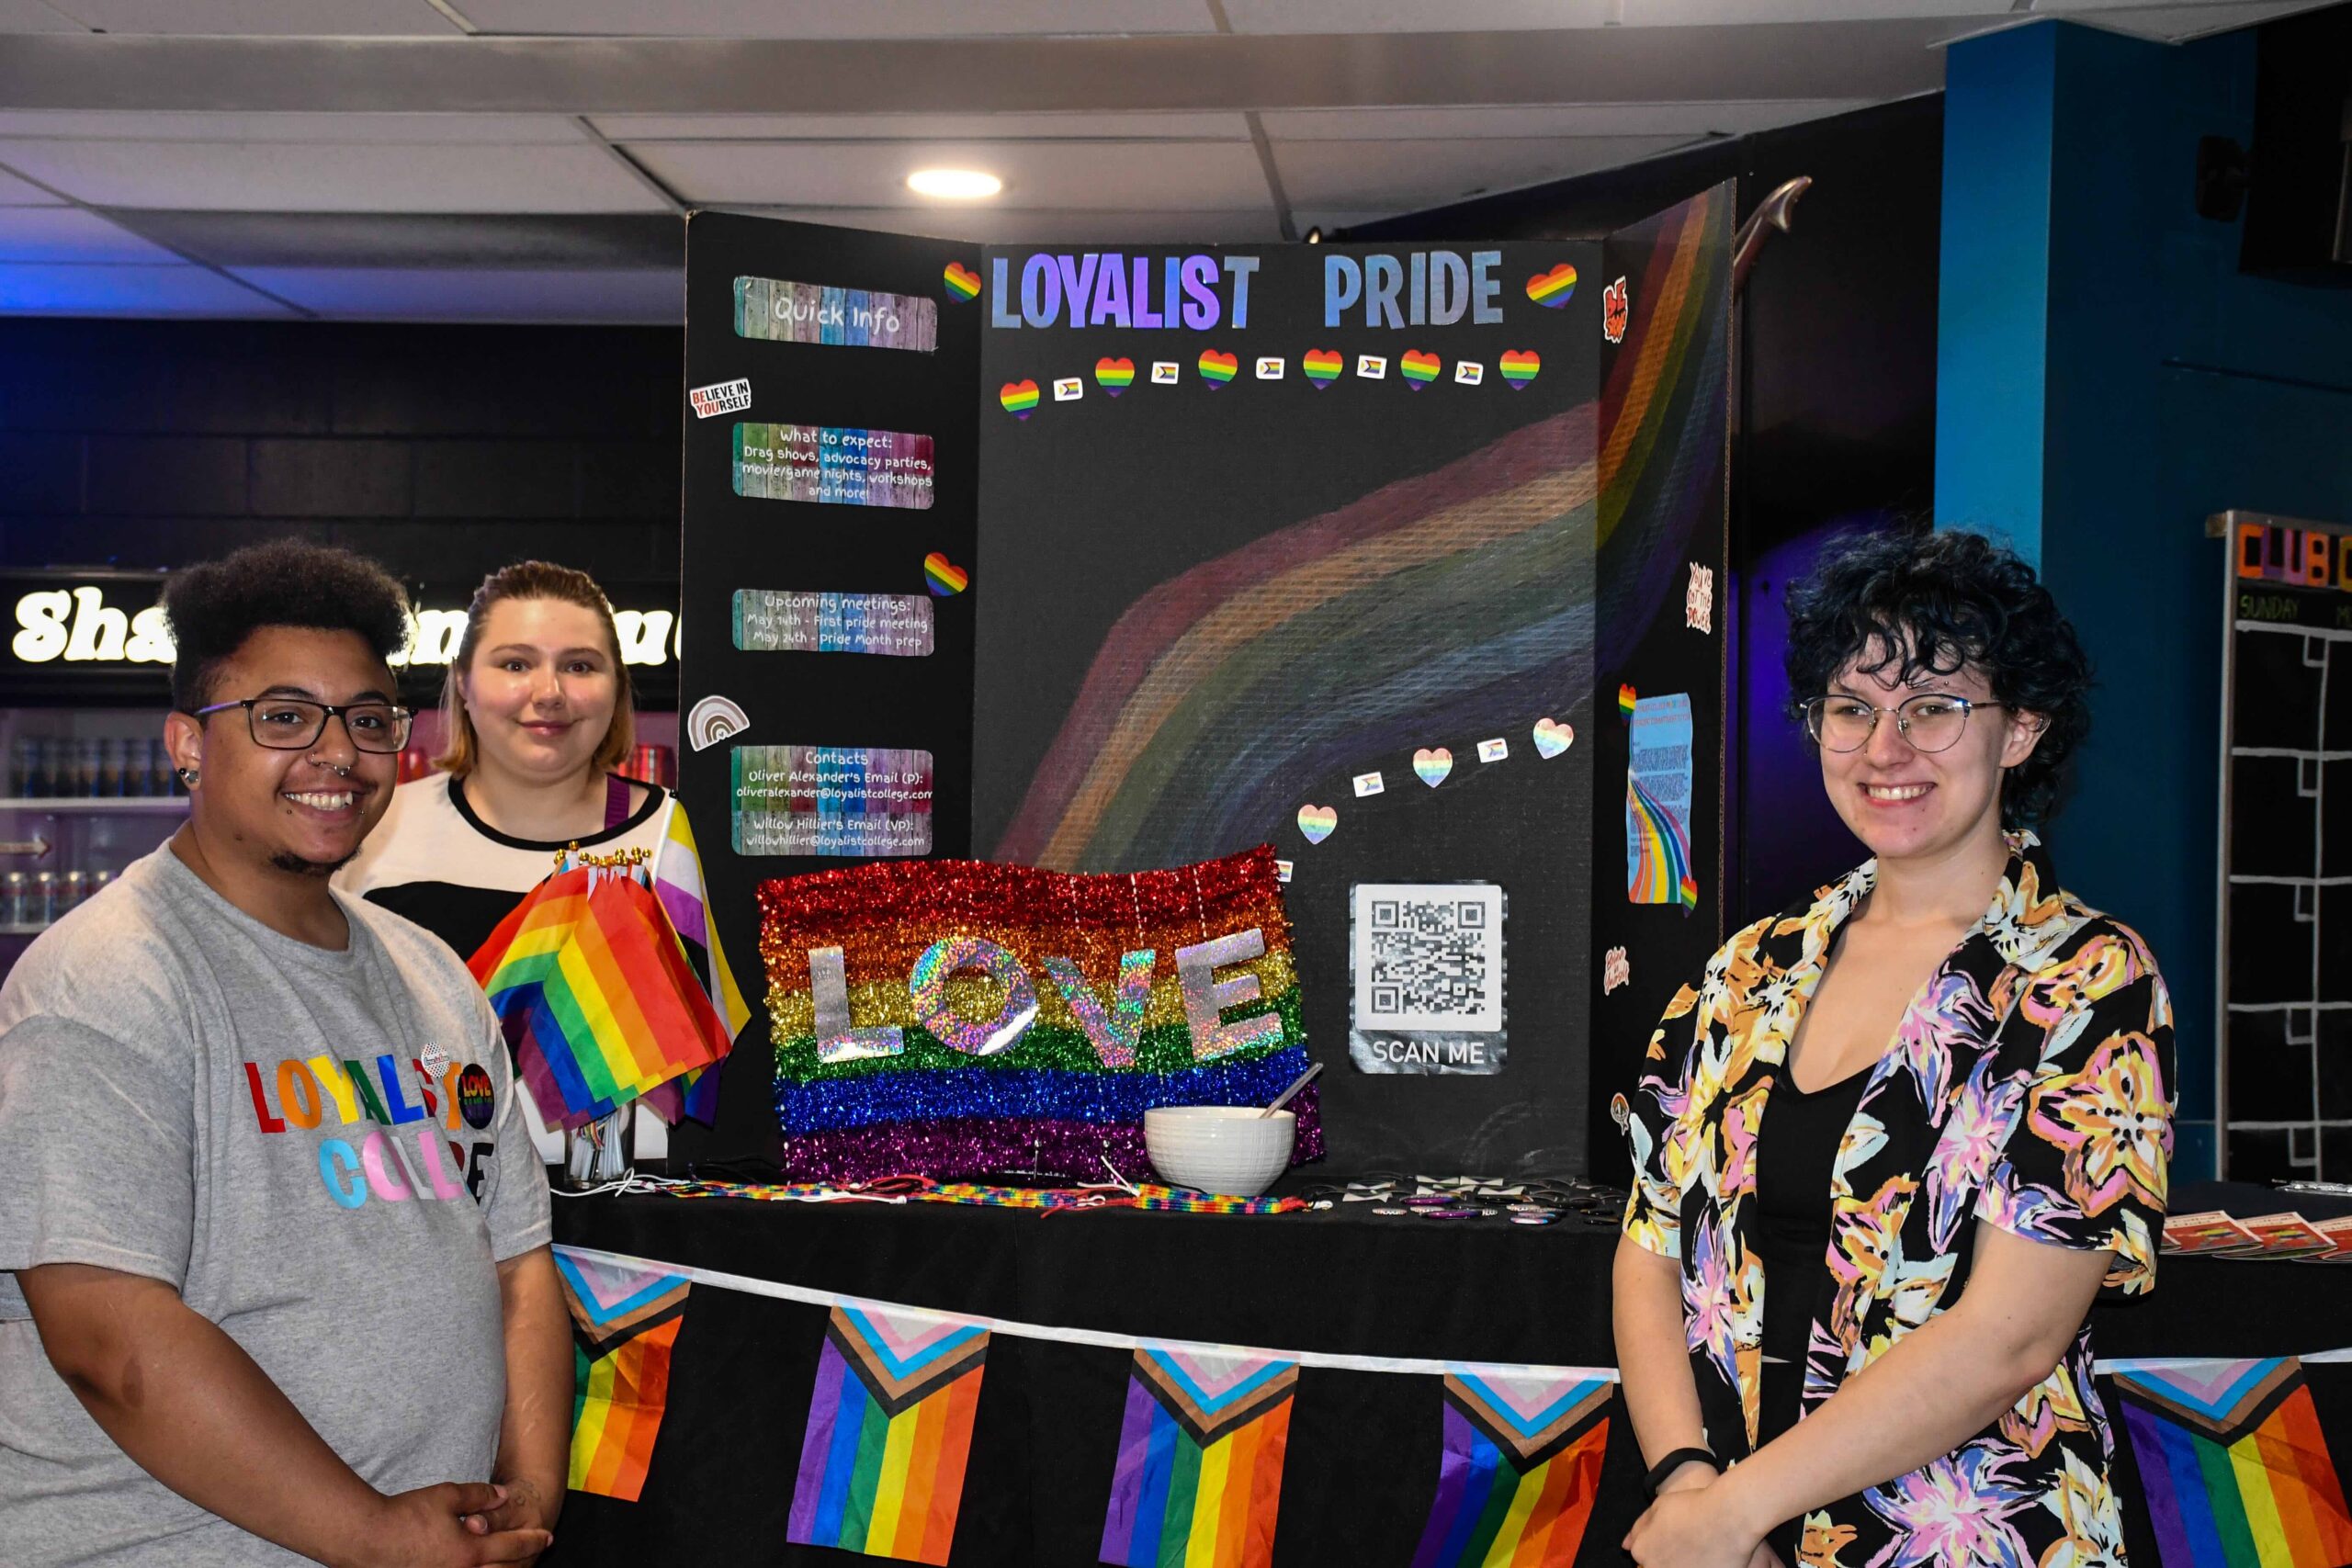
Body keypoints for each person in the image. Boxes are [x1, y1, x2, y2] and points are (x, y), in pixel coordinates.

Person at [1613, 529, 2174, 1568]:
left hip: (1970, 1535)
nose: (1884, 749)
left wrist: (1736, 1512)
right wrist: (1689, 1486)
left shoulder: (2086, 983)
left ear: (2021, 731)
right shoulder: (1747, 971)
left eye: (1933, 709)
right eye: (1851, 709)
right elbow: (1649, 1249)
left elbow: (2010, 1335)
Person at [0, 539, 566, 1566]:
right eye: (283, 717)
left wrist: (527, 1500)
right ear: (187, 742)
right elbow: (107, 1338)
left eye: (366, 718)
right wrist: (373, 1533)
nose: (336, 752)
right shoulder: (102, 984)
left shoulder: (432, 975)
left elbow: (518, 1263)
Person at [337, 560, 744, 1162]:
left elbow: (703, 1078)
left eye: (579, 665)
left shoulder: (664, 832)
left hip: (616, 1225)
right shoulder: (376, 826)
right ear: (464, 684)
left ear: (617, 687)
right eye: (515, 663)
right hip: (411, 1213)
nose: (548, 692)